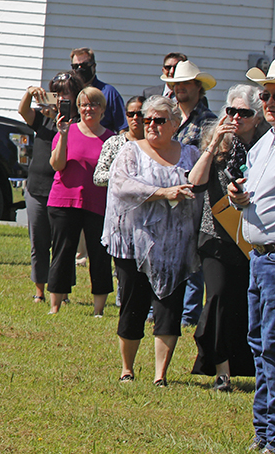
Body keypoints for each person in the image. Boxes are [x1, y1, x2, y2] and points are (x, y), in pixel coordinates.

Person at [105, 94, 217, 386]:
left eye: (159, 120)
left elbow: (199, 181)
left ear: (175, 123)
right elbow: (121, 185)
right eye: (147, 120)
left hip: (176, 246)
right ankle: (127, 369)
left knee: (169, 311)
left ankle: (160, 375)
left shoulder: (190, 153)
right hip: (133, 244)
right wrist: (162, 193)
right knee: (133, 307)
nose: (152, 125)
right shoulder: (131, 151)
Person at [193, 85, 265, 391]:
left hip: (251, 239)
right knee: (219, 297)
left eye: (244, 113)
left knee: (246, 304)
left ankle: (249, 368)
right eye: (231, 111)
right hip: (216, 237)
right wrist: (213, 146)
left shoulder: (266, 147)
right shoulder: (217, 143)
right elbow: (195, 183)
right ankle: (221, 372)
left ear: (256, 117)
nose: (236, 118)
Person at [226, 62, 275, 452]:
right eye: (265, 94)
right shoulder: (265, 144)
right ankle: (263, 433)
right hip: (259, 259)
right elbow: (249, 192)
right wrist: (236, 196)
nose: (268, 101)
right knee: (258, 344)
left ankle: (272, 436)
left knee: (272, 346)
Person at [46, 85, 114, 315]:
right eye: (84, 104)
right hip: (64, 200)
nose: (89, 109)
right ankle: (55, 306)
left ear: (103, 109)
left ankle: (99, 310)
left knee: (100, 255)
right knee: (62, 252)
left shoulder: (111, 139)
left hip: (98, 203)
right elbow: (57, 165)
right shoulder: (66, 131)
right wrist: (63, 136)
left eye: (94, 104)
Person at [163, 59, 217, 327]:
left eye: (185, 83)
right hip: (168, 196)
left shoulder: (208, 121)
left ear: (198, 87)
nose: (179, 87)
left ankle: (188, 315)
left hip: (196, 198)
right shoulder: (169, 117)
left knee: (193, 256)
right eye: (176, 83)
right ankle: (162, 306)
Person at [19, 71, 82, 302]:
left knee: (63, 245)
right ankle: (39, 291)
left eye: (67, 92)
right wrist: (29, 93)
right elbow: (24, 112)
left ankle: (62, 292)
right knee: (39, 242)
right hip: (37, 188)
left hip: (66, 190)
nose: (62, 97)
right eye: (57, 92)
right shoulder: (45, 117)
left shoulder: (80, 122)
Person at [70, 47, 126, 133]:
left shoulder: (108, 92)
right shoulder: (70, 92)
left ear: (94, 66)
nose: (80, 69)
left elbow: (122, 127)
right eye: (75, 66)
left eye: (84, 65)